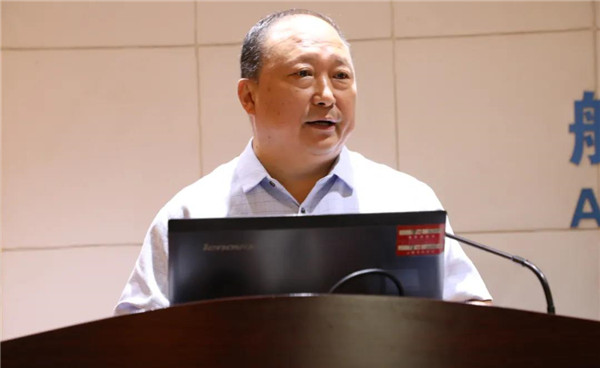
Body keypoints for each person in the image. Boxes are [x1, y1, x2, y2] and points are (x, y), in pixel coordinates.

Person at [114, 9, 491, 315]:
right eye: (303, 74)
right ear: (248, 97)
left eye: (341, 76)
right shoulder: (191, 213)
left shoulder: (406, 201)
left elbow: (472, 315)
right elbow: (134, 342)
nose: (326, 95)